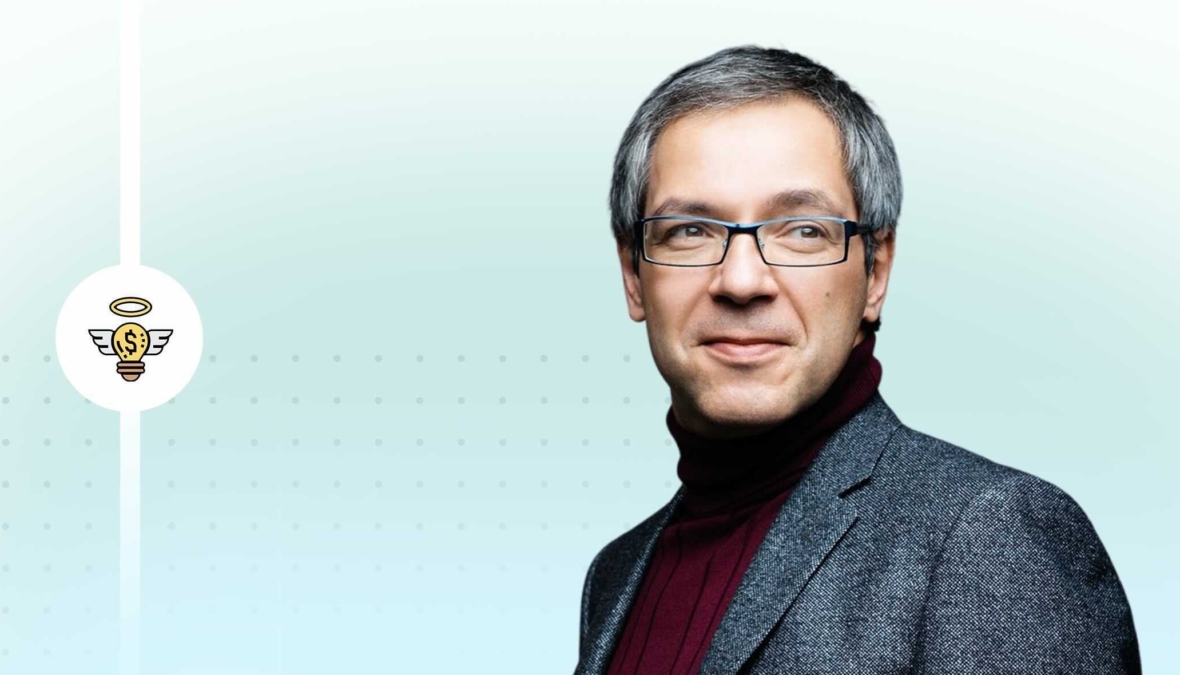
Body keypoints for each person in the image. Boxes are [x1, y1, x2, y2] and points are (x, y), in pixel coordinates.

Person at [574, 45, 1140, 675]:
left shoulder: (988, 538)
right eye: (690, 230)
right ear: (633, 277)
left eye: (803, 230)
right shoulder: (615, 576)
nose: (741, 281)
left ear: (876, 273)